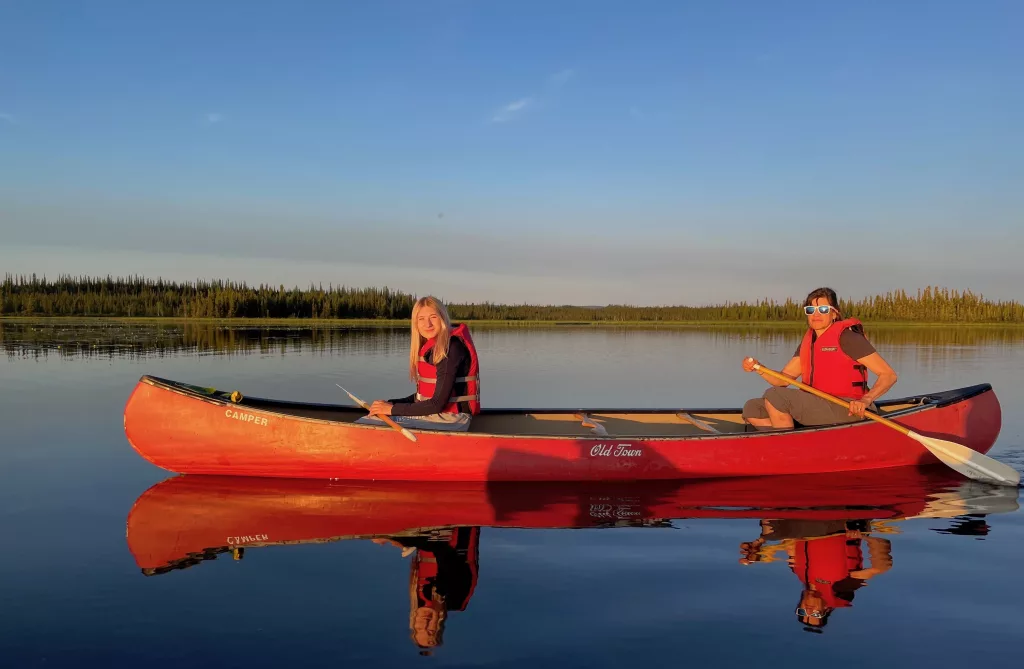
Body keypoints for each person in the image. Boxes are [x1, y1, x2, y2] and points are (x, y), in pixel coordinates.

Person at [741, 287, 898, 430]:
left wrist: (865, 400)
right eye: (811, 309)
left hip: (848, 407)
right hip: (818, 406)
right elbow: (783, 380)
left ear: (834, 313)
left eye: (823, 309)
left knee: (775, 396)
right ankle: (797, 438)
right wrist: (758, 367)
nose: (816, 314)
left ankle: (789, 447)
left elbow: (888, 375)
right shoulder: (808, 342)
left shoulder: (847, 338)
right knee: (752, 408)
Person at [738, 519, 893, 632]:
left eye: (802, 611)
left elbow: (789, 543)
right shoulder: (841, 588)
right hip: (836, 523)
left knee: (769, 530)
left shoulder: (798, 572)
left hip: (803, 523)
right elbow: (880, 567)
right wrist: (863, 536)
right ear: (826, 609)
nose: (808, 609)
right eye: (815, 613)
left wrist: (758, 551)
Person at [359, 296, 481, 432]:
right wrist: (390, 403)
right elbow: (422, 397)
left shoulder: (450, 348)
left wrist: (392, 409)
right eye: (421, 319)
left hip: (451, 418)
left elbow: (436, 404)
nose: (427, 324)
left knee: (365, 424)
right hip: (438, 414)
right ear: (415, 323)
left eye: (433, 317)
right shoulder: (432, 347)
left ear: (442, 318)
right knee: (375, 416)